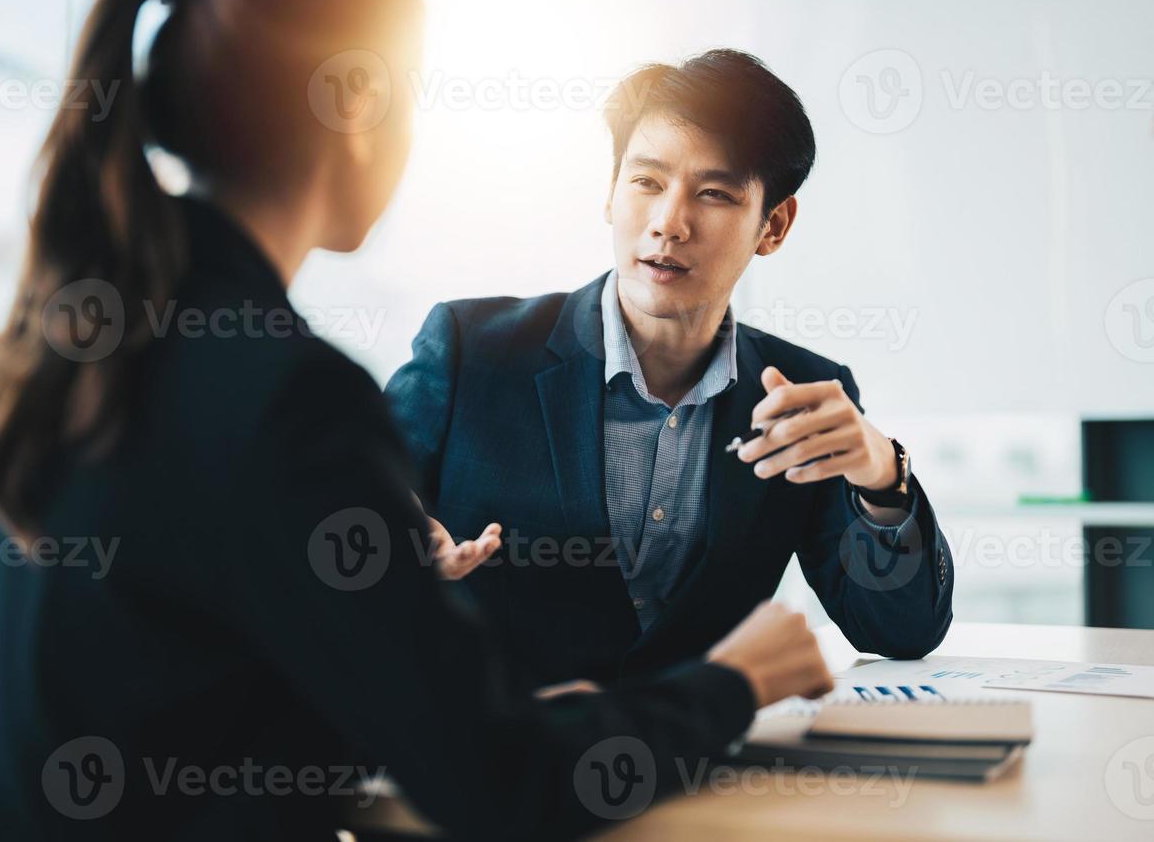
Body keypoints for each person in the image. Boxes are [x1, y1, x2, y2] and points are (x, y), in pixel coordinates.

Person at [0, 0, 832, 842]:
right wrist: (736, 682)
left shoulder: (78, 346)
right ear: (358, 106)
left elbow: (179, 705)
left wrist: (430, 658)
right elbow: (504, 787)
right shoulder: (289, 394)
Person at [385, 51, 954, 691]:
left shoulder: (804, 395)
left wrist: (883, 474)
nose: (668, 223)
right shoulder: (472, 350)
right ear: (609, 192)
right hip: (498, 766)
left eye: (713, 193)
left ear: (774, 225)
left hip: (705, 769)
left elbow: (901, 632)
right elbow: (340, 514)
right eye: (647, 183)